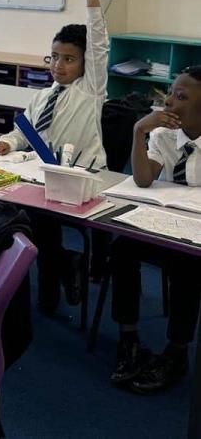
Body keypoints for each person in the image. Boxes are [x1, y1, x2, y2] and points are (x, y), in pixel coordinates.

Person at [0, 0, 107, 314]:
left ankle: (52, 278)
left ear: (85, 65)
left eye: (69, 59)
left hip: (82, 176)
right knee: (14, 209)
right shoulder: (42, 95)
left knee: (35, 216)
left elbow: (99, 45)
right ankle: (58, 268)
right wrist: (7, 142)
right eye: (54, 57)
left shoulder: (91, 89)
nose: (58, 65)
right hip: (44, 177)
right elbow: (23, 133)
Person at [109, 66, 201, 394]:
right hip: (162, 225)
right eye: (171, 93)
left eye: (182, 96)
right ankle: (129, 338)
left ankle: (176, 352)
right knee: (122, 248)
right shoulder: (163, 136)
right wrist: (138, 132)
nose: (170, 102)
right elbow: (144, 179)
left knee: (187, 265)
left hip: (195, 238)